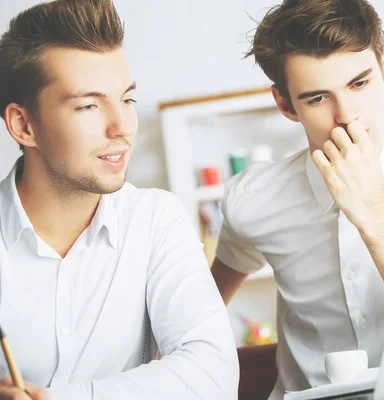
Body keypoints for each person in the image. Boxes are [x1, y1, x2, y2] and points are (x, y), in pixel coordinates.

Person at [210, 0, 384, 398]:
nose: (347, 116)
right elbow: (200, 314)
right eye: (317, 98)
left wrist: (373, 206)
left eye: (359, 83)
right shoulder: (252, 199)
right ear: (286, 105)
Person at [0, 1, 238, 399]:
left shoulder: (155, 220)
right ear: (24, 125)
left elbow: (213, 377)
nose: (123, 126)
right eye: (89, 105)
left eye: (126, 99)